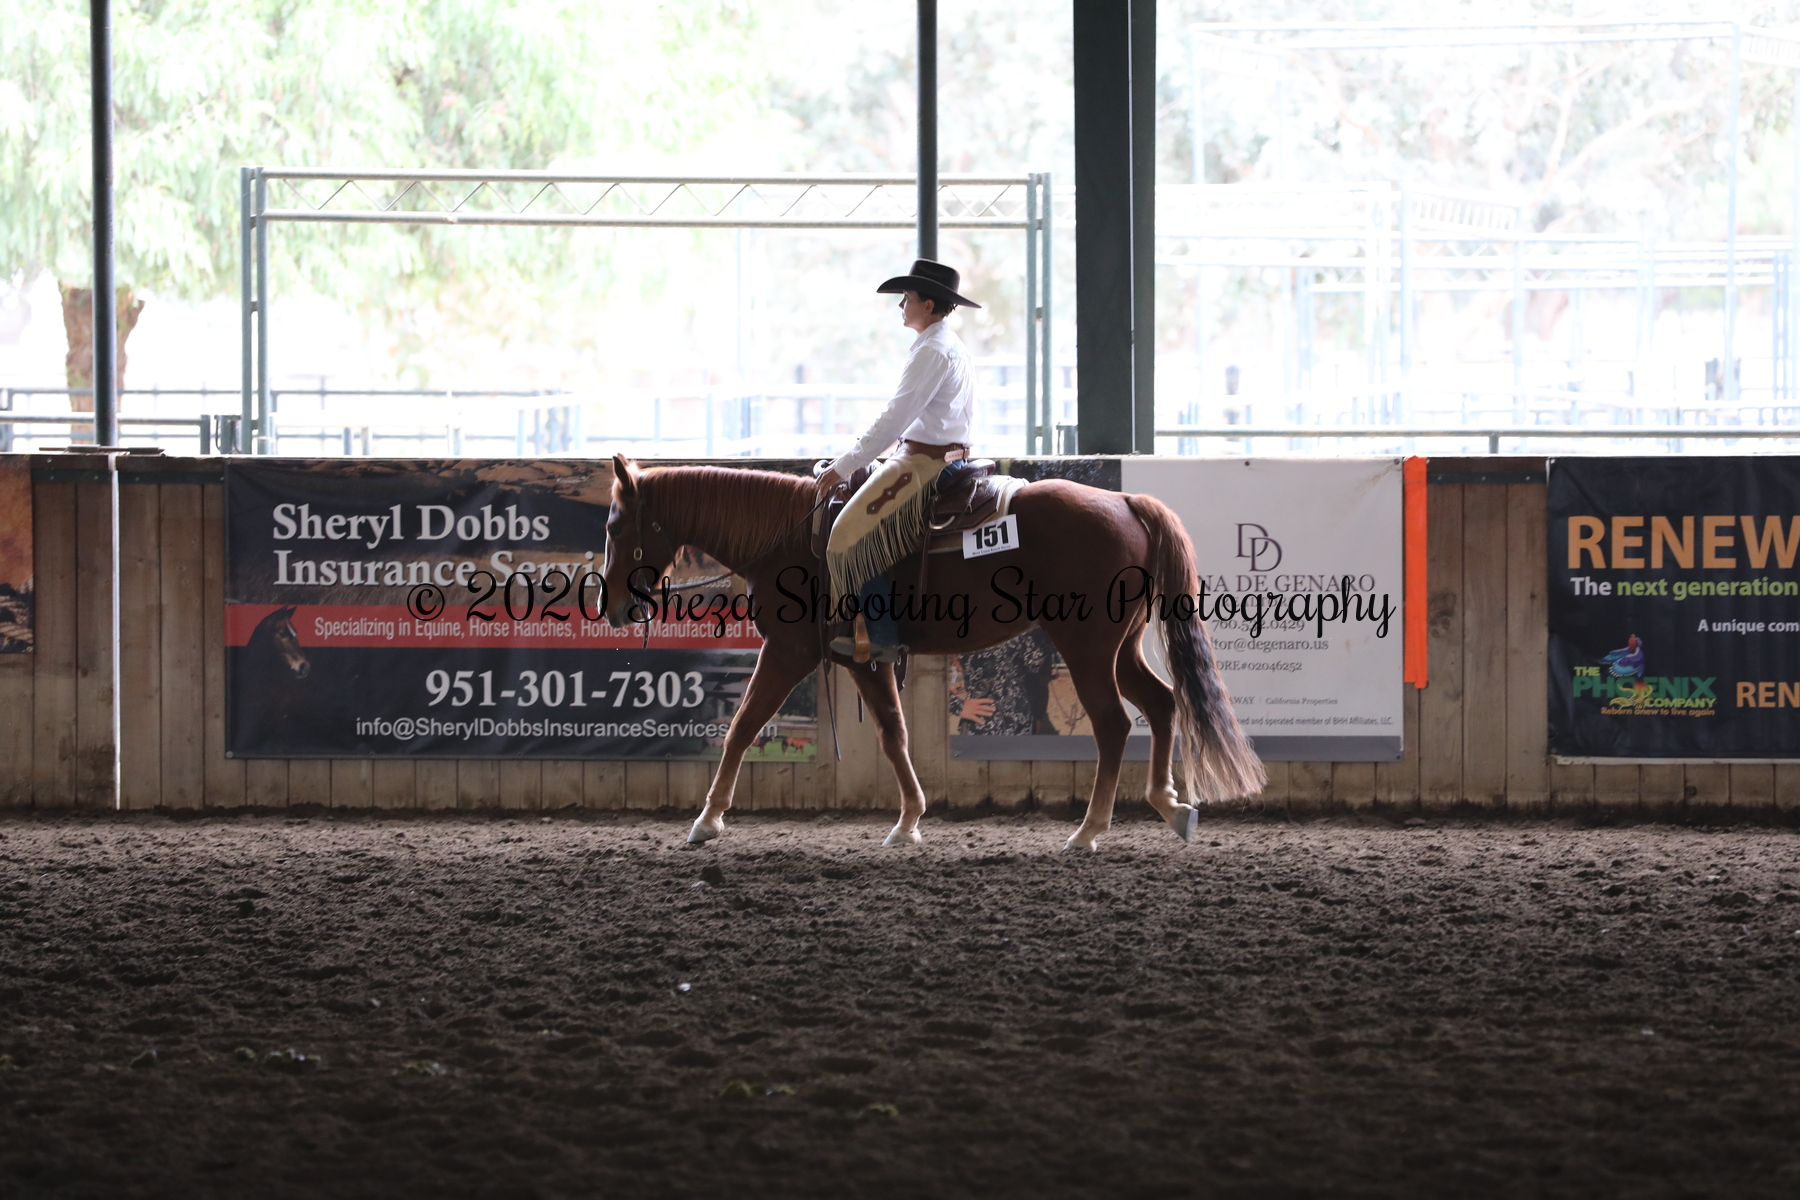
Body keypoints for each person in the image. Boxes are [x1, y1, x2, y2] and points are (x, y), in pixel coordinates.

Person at [815, 258, 980, 662]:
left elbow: (894, 419)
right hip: (940, 454)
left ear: (928, 304)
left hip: (926, 463)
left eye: (907, 298)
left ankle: (881, 634)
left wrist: (844, 465)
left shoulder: (932, 352)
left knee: (847, 535)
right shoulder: (949, 345)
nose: (901, 305)